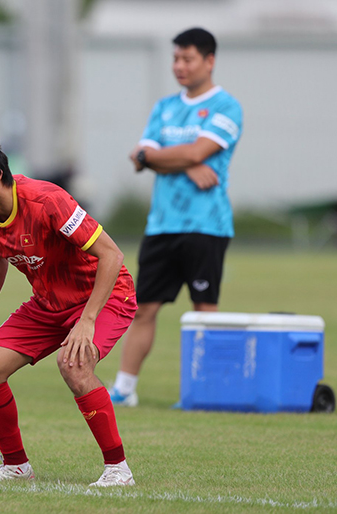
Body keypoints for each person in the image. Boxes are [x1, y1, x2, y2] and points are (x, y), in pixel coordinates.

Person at [0, 126, 138, 487]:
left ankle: (118, 469)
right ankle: (16, 465)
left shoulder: (47, 201)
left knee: (74, 365)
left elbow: (112, 255)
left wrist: (87, 320)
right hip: (49, 305)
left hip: (105, 296)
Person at [109, 27, 243, 407]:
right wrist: (183, 161)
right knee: (143, 308)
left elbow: (192, 151)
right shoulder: (164, 106)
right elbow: (140, 158)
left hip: (206, 225)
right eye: (175, 59)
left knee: (204, 311)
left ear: (209, 61)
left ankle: (207, 393)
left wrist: (159, 156)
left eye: (188, 59)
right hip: (162, 224)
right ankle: (124, 390)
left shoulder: (226, 106)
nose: (179, 66)